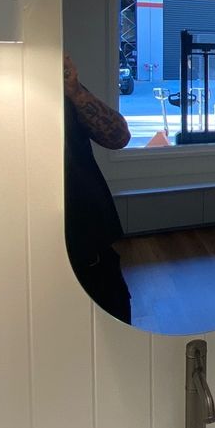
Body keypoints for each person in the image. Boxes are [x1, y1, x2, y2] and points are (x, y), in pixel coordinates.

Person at [63, 54, 133, 324]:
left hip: (89, 235)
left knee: (112, 317)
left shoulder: (66, 92)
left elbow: (119, 137)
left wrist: (74, 90)